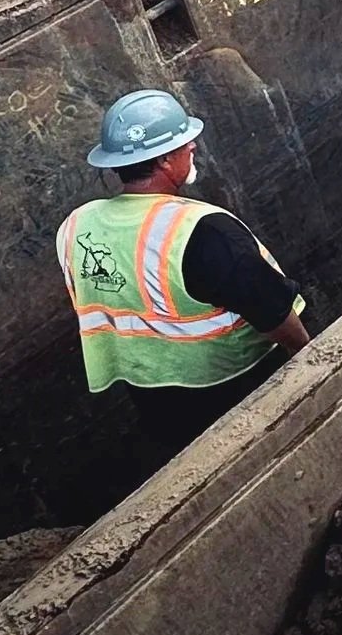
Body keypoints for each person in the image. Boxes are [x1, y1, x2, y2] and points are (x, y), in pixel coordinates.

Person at [57, 88, 309, 460]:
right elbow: (271, 310)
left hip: (153, 400)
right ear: (163, 161)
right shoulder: (202, 230)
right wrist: (308, 355)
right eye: (184, 143)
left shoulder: (77, 225)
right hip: (233, 386)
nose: (193, 147)